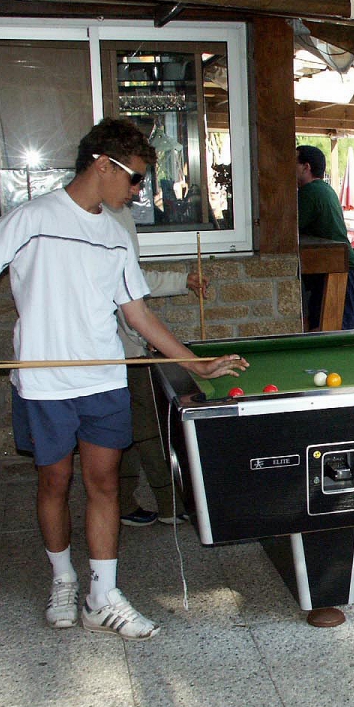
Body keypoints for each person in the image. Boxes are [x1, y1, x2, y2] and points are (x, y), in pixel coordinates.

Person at [0, 118, 247, 640]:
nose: (139, 192)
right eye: (135, 179)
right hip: (45, 385)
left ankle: (102, 594)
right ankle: (63, 579)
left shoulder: (114, 235)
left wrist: (192, 362)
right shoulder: (33, 218)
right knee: (53, 480)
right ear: (102, 164)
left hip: (103, 379)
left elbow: (137, 314)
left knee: (105, 483)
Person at [102, 201, 206, 527]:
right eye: (133, 178)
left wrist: (181, 280)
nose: (136, 189)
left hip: (122, 348)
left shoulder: (118, 212)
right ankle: (170, 506)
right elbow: (118, 290)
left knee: (129, 428)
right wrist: (138, 332)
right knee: (148, 431)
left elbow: (133, 278)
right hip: (117, 353)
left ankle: (124, 501)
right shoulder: (101, 216)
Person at [296, 145, 354, 330]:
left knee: (337, 337)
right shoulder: (324, 189)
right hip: (348, 272)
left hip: (343, 272)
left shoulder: (309, 192)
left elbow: (287, 231)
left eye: (293, 162)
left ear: (306, 167)